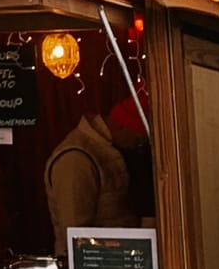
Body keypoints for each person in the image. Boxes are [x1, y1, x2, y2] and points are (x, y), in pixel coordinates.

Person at [45, 96, 149, 258]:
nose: (138, 146)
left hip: (116, 265)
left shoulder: (104, 150)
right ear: (123, 127)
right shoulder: (76, 160)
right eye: (138, 140)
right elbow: (75, 234)